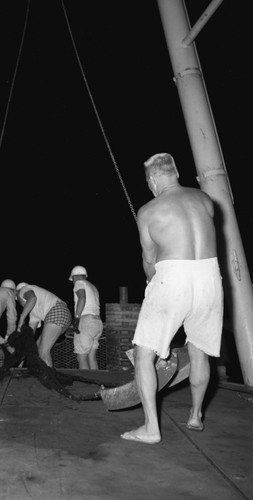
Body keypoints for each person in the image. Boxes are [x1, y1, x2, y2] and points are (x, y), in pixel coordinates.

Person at [121, 153, 223, 444]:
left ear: (153, 179)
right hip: (209, 277)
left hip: (172, 275)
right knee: (199, 350)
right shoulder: (206, 201)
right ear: (176, 172)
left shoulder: (149, 210)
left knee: (144, 353)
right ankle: (195, 416)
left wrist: (150, 279)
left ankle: (151, 428)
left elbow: (149, 258)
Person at [15, 283, 72, 367]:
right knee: (38, 348)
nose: (20, 303)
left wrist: (21, 318)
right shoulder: (34, 312)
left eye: (18, 300)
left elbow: (32, 298)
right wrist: (21, 362)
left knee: (43, 351)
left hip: (57, 311)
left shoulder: (24, 290)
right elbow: (30, 335)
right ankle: (43, 374)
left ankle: (50, 378)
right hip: (63, 316)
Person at [68, 266, 104, 370]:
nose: (73, 281)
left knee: (81, 357)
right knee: (92, 357)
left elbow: (82, 298)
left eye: (72, 279)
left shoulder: (79, 283)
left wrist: (77, 318)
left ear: (75, 276)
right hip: (97, 322)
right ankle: (97, 384)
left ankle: (86, 385)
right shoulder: (92, 286)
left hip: (86, 322)